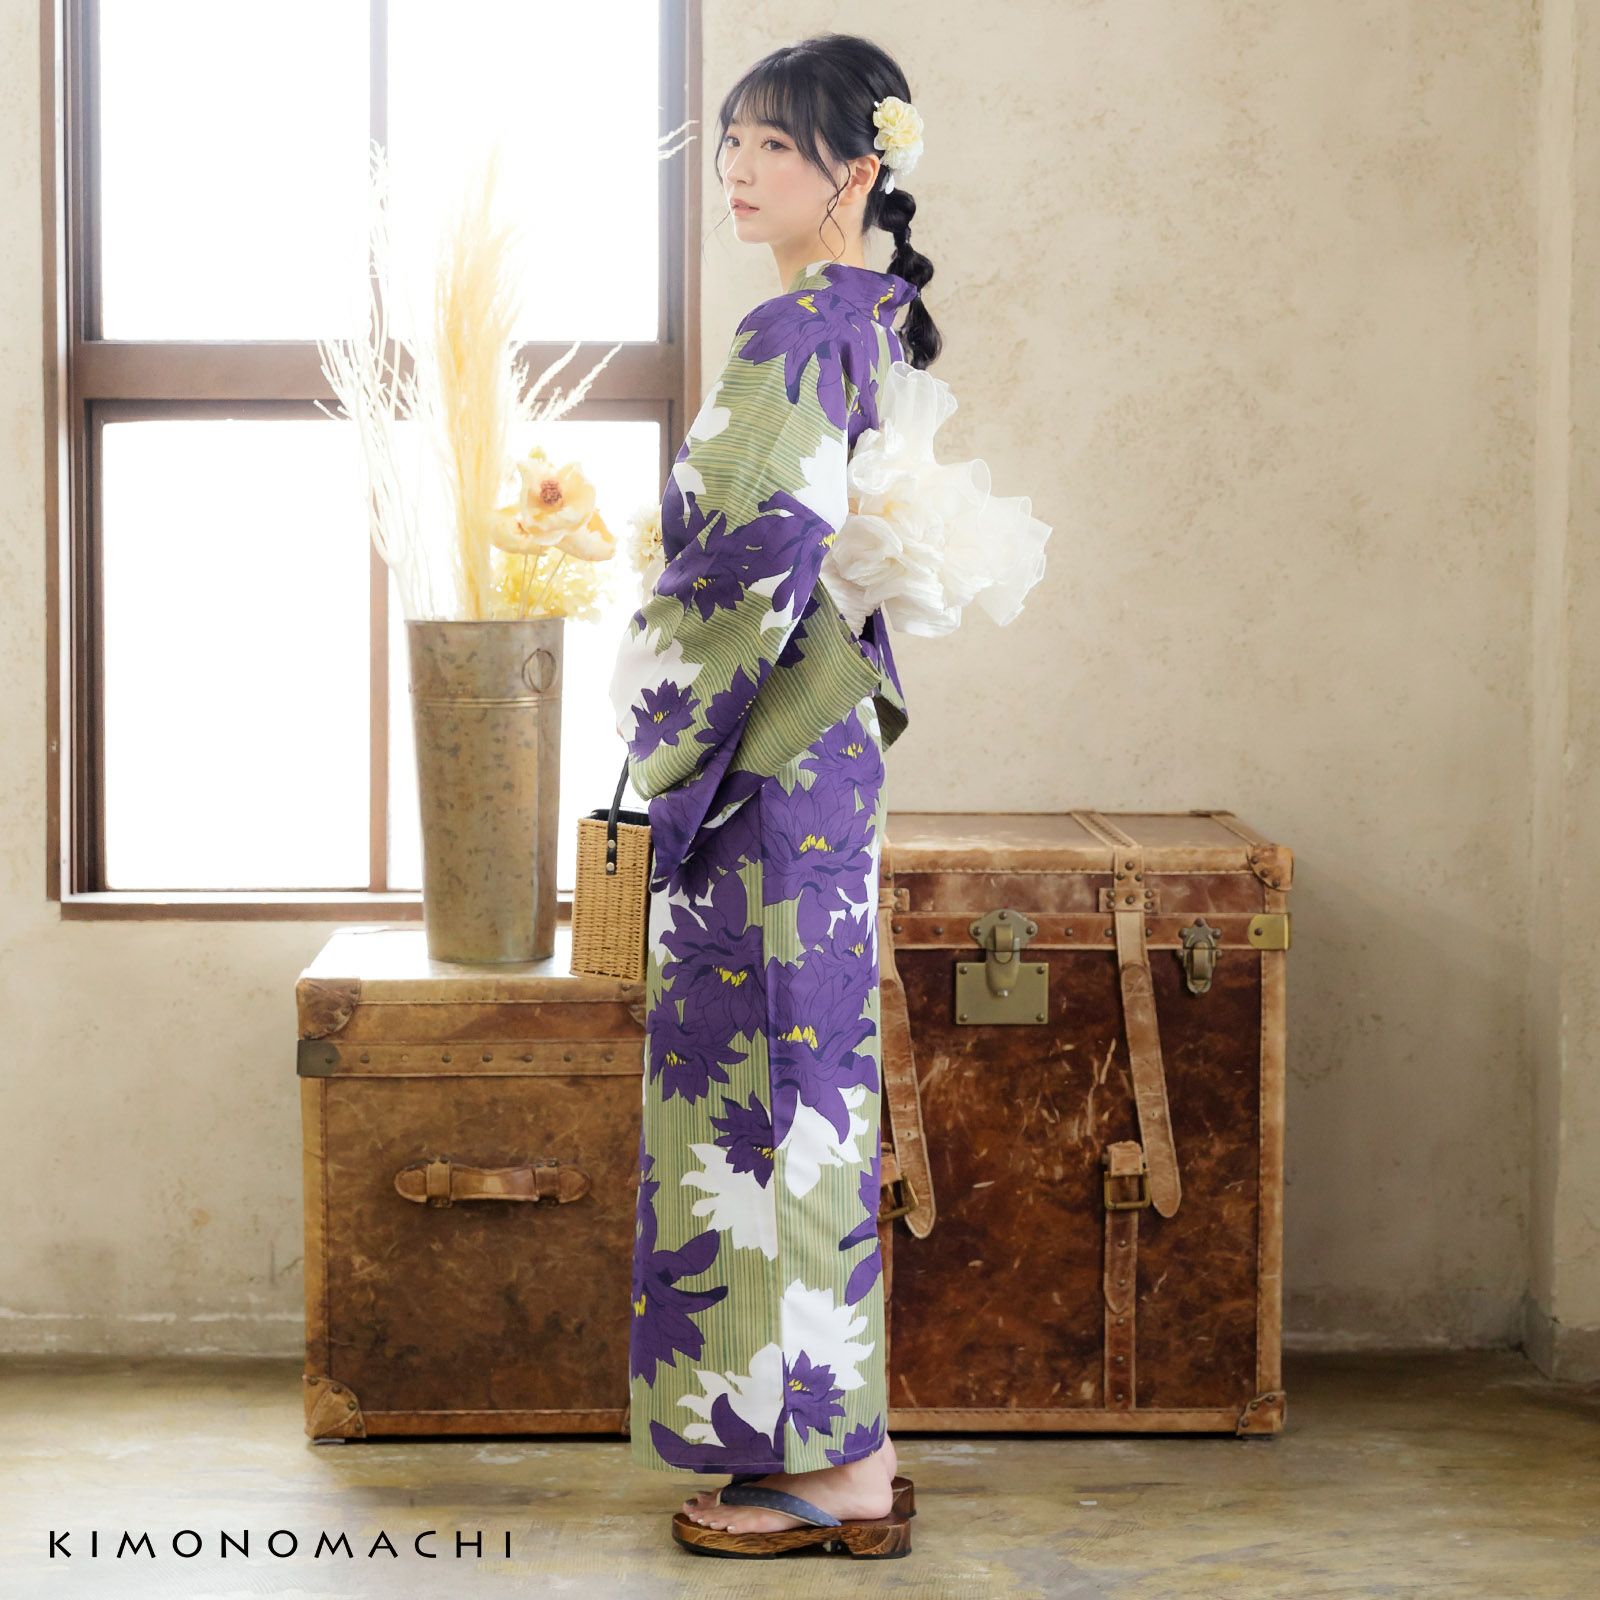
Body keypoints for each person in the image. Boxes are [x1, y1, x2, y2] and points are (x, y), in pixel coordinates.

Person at [608, 31, 939, 1559]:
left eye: (775, 149)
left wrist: (648, 693)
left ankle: (831, 1467)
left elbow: (750, 557)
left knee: (769, 1100)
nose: (737, 171)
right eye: (731, 141)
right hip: (821, 746)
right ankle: (846, 1437)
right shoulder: (874, 316)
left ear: (855, 172)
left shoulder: (798, 326)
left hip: (761, 754)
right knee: (808, 1093)